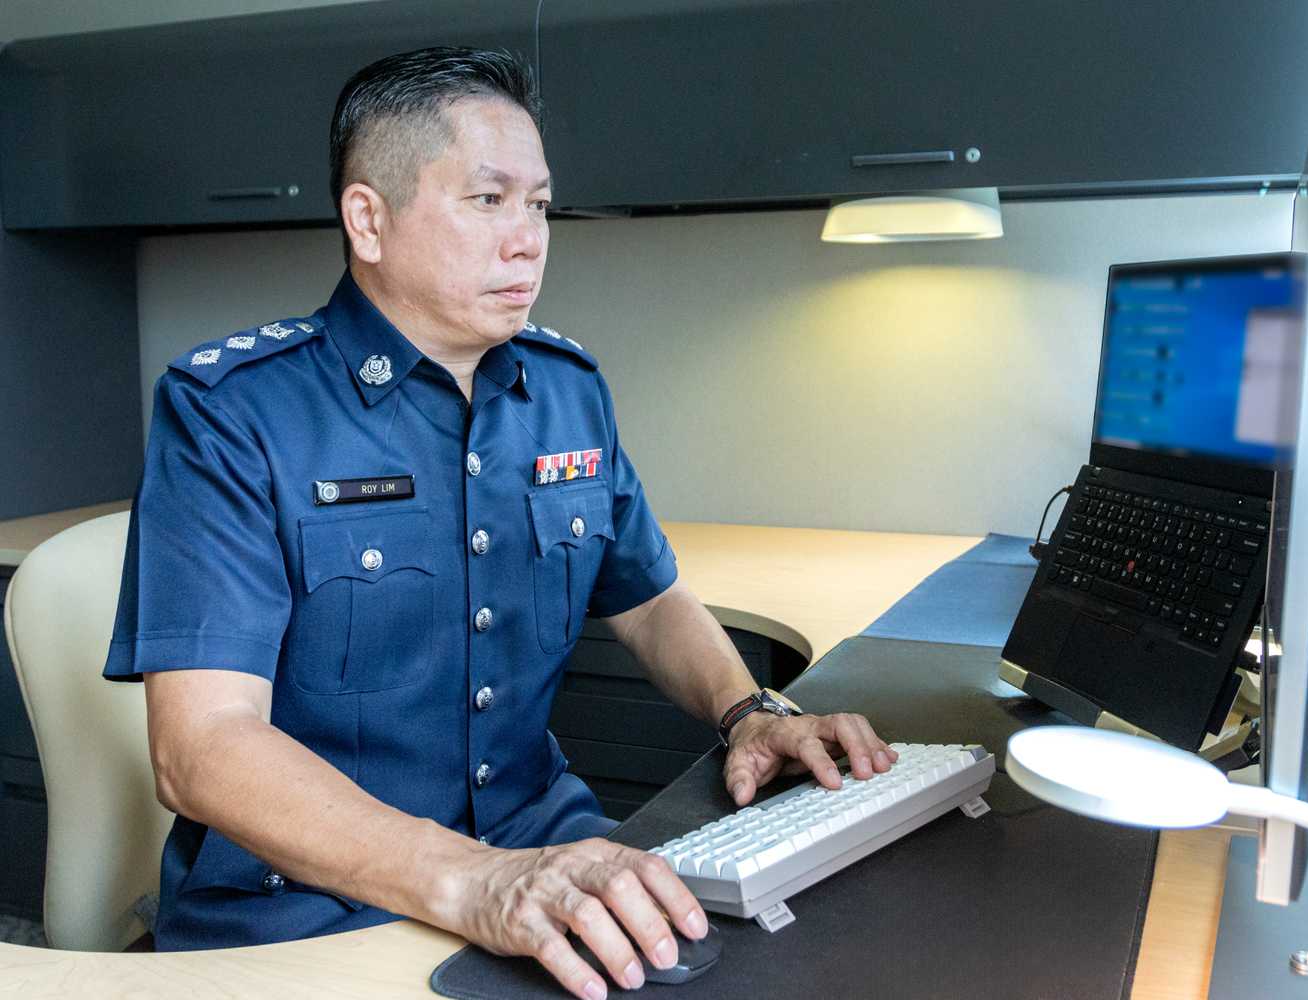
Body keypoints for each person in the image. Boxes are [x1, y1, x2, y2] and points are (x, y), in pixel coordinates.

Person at [103, 46, 897, 1000]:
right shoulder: (232, 412)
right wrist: (475, 881)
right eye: (488, 200)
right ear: (368, 220)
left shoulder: (567, 391)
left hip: (539, 851)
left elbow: (650, 600)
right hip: (303, 907)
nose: (528, 241)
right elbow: (201, 750)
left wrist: (748, 712)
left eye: (540, 205)